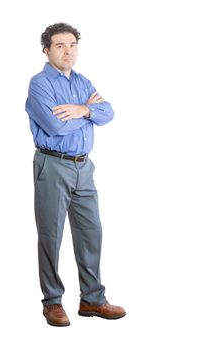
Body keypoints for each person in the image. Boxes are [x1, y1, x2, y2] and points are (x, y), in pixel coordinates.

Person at [25, 22, 126, 327]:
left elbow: (108, 112)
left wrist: (81, 110)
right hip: (52, 165)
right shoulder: (39, 84)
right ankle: (52, 301)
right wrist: (89, 113)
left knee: (91, 232)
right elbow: (55, 126)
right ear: (47, 50)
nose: (68, 51)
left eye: (72, 45)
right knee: (51, 235)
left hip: (84, 167)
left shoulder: (82, 82)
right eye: (60, 46)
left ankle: (92, 299)